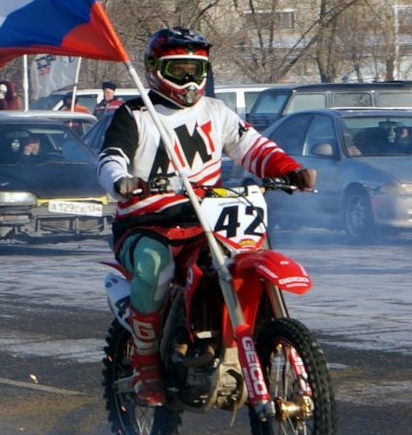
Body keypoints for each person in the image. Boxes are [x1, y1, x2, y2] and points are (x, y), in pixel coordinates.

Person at [97, 28, 314, 406]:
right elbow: (111, 156)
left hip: (205, 220)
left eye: (195, 70)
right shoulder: (133, 114)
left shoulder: (216, 111)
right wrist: (121, 181)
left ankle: (245, 334)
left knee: (242, 255)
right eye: (177, 69)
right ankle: (147, 367)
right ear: (154, 69)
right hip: (146, 223)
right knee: (154, 264)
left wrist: (289, 168)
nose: (188, 80)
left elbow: (252, 146)